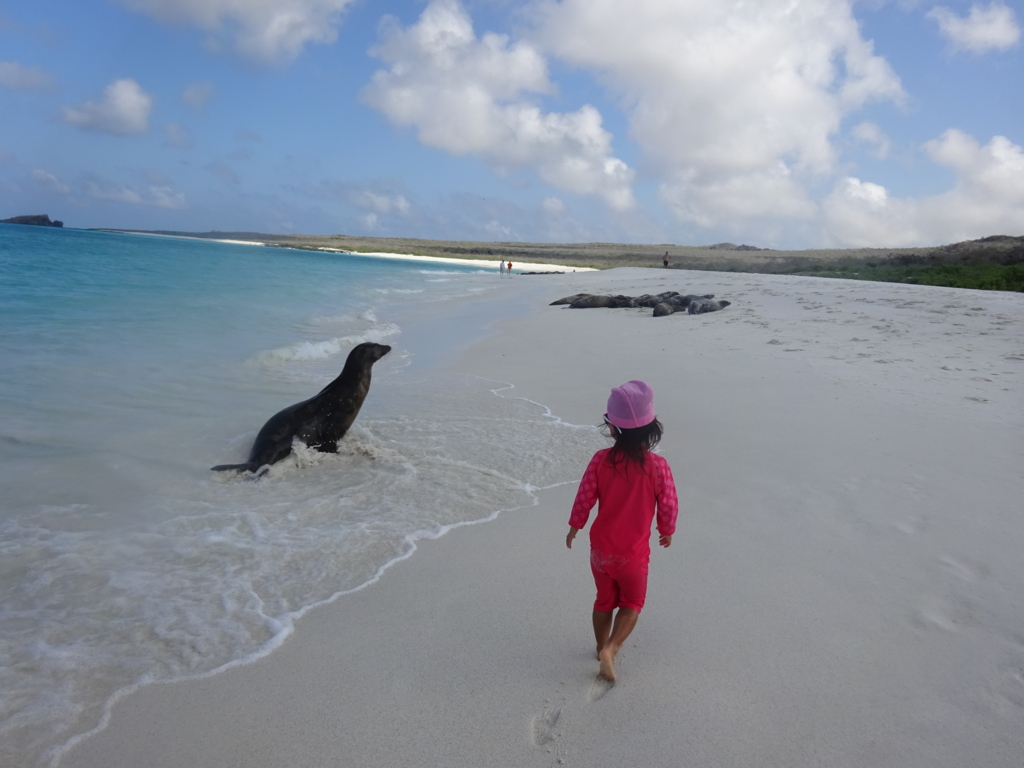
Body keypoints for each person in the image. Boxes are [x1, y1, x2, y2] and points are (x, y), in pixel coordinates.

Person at [566, 380, 678, 682]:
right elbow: (668, 504)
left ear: (613, 427)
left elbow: (585, 496)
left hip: (601, 551)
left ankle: (600, 644)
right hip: (633, 555)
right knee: (631, 604)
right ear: (651, 426)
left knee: (604, 600)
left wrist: (574, 526)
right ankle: (611, 649)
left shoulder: (601, 461)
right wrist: (666, 530)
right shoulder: (658, 467)